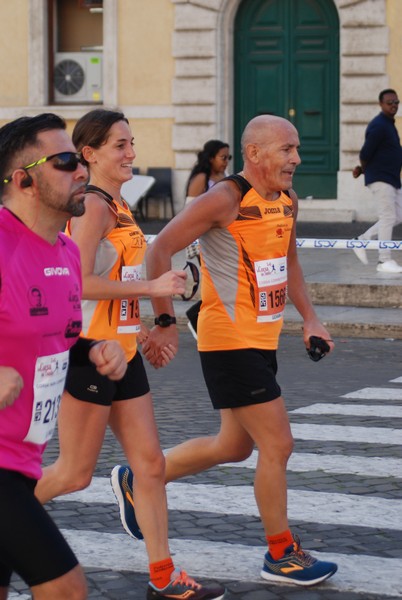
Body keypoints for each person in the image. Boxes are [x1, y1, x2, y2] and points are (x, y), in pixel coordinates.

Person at [111, 114, 338, 587]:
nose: (296, 158)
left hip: (263, 339)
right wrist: (166, 320)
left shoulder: (287, 201)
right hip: (227, 339)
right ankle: (280, 553)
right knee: (278, 443)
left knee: (234, 445)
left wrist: (310, 319)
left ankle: (140, 479)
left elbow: (289, 261)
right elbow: (160, 251)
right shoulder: (224, 200)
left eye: (296, 149)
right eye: (287, 149)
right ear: (254, 153)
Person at [34, 108, 225, 600]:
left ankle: (163, 575)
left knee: (151, 465)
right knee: (74, 474)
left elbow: (110, 282)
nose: (132, 153)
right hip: (90, 355)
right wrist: (151, 285)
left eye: (132, 143)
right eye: (120, 145)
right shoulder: (93, 206)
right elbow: (75, 283)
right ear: (89, 154)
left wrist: (140, 323)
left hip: (124, 353)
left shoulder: (118, 206)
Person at [0, 113, 127, 600]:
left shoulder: (68, 254)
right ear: (24, 179)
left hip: (23, 461)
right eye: (66, 161)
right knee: (66, 588)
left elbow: (58, 338)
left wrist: (95, 350)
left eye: (80, 160)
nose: (81, 171)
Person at [184, 140, 231, 337]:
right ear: (211, 158)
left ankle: (206, 320)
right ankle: (196, 319)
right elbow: (189, 214)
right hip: (201, 240)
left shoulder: (225, 177)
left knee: (225, 283)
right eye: (223, 157)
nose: (226, 162)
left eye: (229, 158)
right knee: (216, 283)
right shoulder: (201, 179)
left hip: (222, 240)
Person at [352, 88, 402, 272]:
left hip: (392, 178)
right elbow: (366, 152)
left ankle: (362, 240)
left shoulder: (389, 124)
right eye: (390, 103)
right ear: (381, 104)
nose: (394, 105)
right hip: (381, 179)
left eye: (396, 102)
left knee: (397, 215)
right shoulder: (379, 125)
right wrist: (363, 169)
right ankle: (384, 260)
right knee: (388, 216)